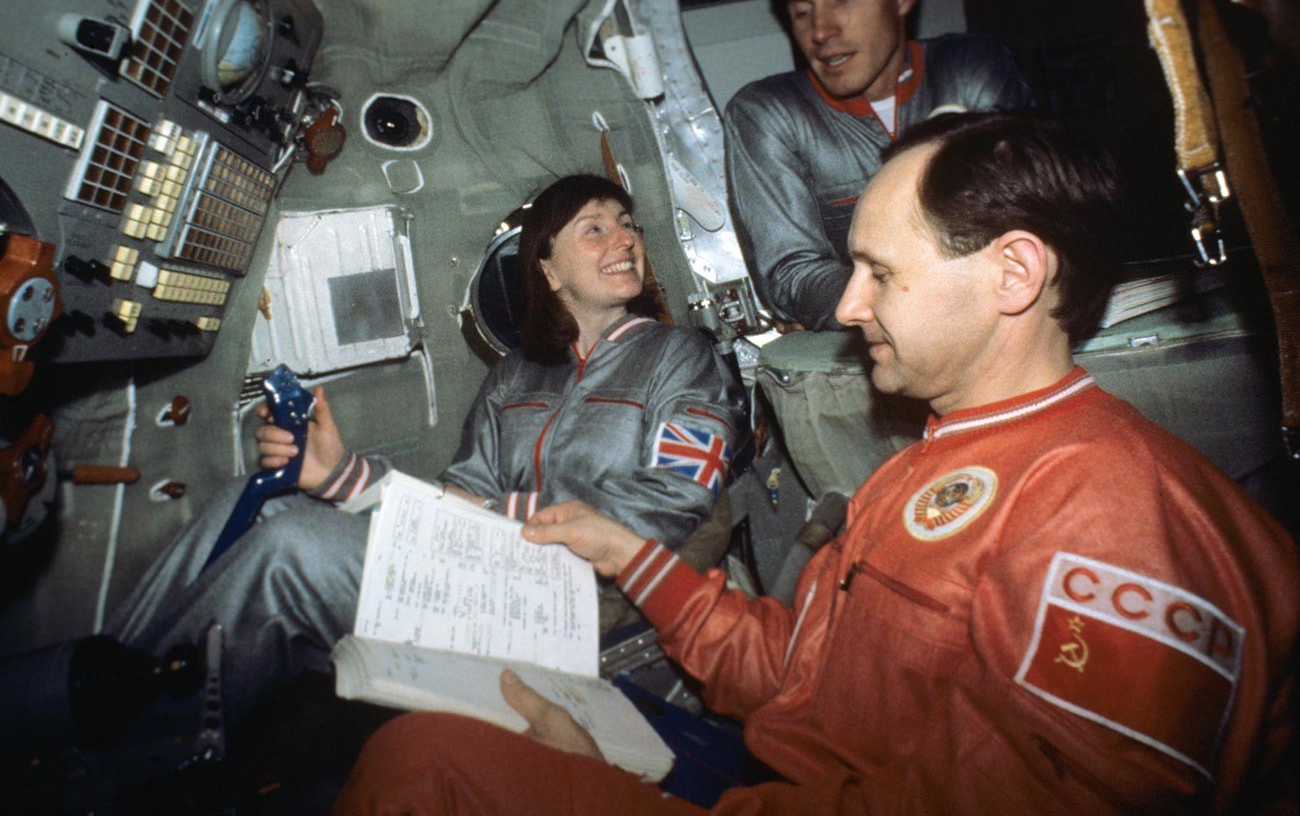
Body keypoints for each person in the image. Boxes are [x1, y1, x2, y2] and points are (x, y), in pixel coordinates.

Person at [335, 113, 1299, 815]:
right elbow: (797, 671)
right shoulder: (929, 462)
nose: (844, 307)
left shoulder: (1115, 518)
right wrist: (631, 555)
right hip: (779, 765)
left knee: (420, 767)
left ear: (1014, 274)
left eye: (881, 273)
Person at [107, 174, 745, 719]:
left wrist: (505, 524)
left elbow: (670, 500)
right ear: (548, 271)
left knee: (291, 543)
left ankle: (138, 736)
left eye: (627, 225)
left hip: (582, 594)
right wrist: (343, 477)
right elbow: (462, 499)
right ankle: (105, 676)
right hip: (482, 562)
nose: (625, 238)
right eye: (595, 228)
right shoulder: (516, 376)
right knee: (255, 504)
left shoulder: (679, 357)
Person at [726, 0, 1031, 331]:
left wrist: (888, 298)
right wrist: (930, 306)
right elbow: (791, 274)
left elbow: (1030, 218)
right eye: (801, 11)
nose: (821, 31)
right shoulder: (769, 114)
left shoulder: (970, 70)